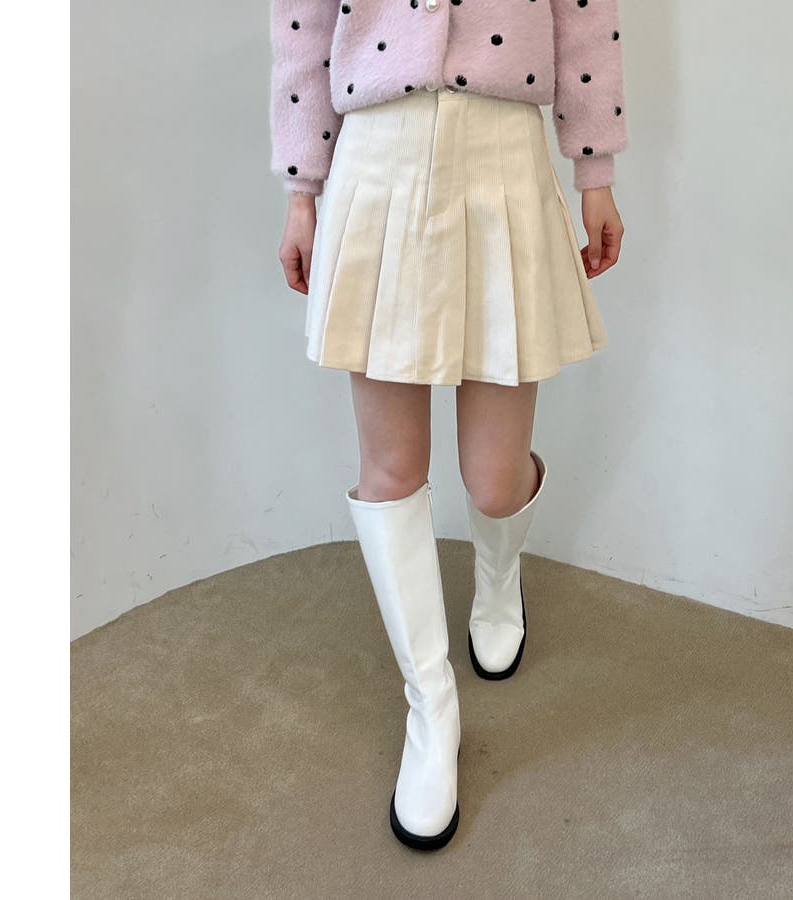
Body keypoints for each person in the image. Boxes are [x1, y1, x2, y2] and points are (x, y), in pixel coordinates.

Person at [269, 1, 627, 851]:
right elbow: (301, 25)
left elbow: (585, 14)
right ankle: (431, 710)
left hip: (504, 151)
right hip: (376, 156)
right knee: (391, 469)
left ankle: (498, 578)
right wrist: (301, 193)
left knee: (494, 479)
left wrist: (596, 171)